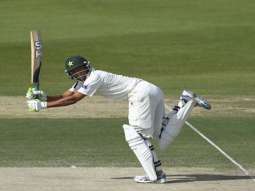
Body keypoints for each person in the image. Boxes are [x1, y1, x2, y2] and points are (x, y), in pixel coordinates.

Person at [26, 56, 211, 183]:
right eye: (76, 72)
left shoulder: (94, 77)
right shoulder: (83, 81)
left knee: (135, 134)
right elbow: (65, 95)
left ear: (87, 66)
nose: (79, 73)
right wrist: (41, 96)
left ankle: (155, 175)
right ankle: (186, 101)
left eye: (81, 69)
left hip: (140, 94)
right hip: (150, 90)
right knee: (161, 135)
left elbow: (73, 100)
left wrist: (43, 106)